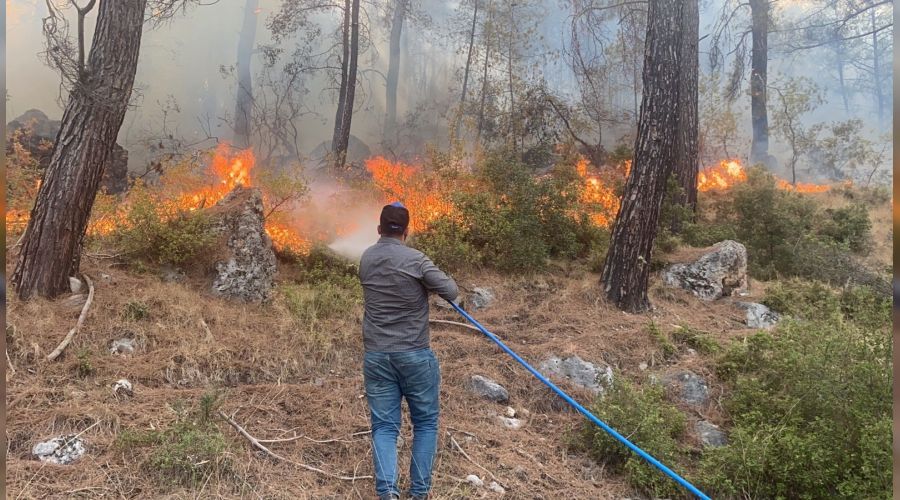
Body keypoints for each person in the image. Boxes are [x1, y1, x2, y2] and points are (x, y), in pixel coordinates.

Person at [358, 202, 459, 500]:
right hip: (414, 354)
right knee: (425, 423)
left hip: (377, 356)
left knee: (384, 427)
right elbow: (451, 291)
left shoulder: (366, 258)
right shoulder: (416, 260)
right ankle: (419, 493)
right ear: (407, 231)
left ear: (379, 229)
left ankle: (388, 492)